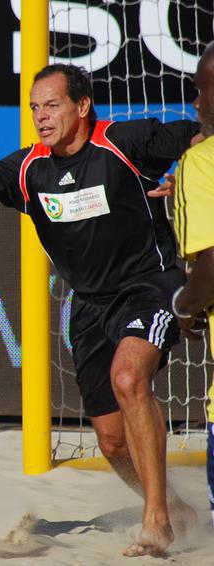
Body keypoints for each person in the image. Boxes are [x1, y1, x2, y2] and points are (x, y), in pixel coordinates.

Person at [0, 63, 200, 557]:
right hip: (88, 305)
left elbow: (202, 141)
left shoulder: (126, 141)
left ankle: (156, 521)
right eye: (33, 108)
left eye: (51, 105)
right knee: (111, 443)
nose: (41, 117)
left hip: (148, 286)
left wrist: (189, 179)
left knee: (130, 379)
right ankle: (175, 507)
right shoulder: (28, 167)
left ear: (82, 106)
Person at [171, 42, 214, 528]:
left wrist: (185, 305)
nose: (197, 102)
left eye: (202, 88)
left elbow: (212, 263)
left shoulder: (201, 163)